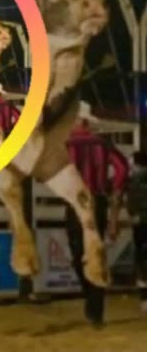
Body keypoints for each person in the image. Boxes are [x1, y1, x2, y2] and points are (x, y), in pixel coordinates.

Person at [64, 102, 129, 328]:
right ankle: (95, 309)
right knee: (96, 255)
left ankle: (90, 297)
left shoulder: (64, 145)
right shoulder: (103, 144)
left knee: (77, 254)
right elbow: (122, 169)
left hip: (75, 203)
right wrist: (114, 194)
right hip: (96, 202)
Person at [126, 150, 147, 312]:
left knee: (141, 260)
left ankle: (144, 297)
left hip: (141, 225)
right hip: (141, 223)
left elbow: (132, 204)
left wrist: (135, 215)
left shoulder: (135, 180)